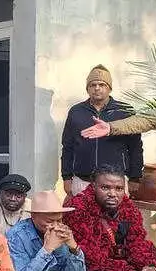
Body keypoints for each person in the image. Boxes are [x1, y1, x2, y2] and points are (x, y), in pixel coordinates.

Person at [61, 65, 142, 198]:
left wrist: (135, 177)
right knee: (80, 212)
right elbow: (67, 147)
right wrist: (66, 177)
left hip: (115, 184)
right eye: (93, 85)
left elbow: (135, 147)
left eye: (102, 84)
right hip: (83, 181)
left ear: (109, 88)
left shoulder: (124, 111)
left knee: (115, 213)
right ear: (87, 88)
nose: (97, 88)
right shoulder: (76, 112)